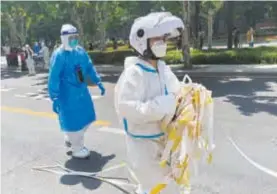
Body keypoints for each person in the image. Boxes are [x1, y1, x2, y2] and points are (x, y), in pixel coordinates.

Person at [114, 12, 184, 194]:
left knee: (165, 182)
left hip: (164, 138)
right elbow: (128, 108)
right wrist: (161, 106)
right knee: (152, 183)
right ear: (141, 40)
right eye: (157, 38)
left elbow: (177, 90)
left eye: (164, 38)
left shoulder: (162, 68)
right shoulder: (133, 73)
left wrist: (190, 95)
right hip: (143, 144)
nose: (163, 42)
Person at [48, 24, 106, 159]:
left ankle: (70, 137)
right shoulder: (59, 55)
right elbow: (54, 77)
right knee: (73, 121)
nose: (74, 40)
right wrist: (55, 97)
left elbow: (89, 66)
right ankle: (77, 148)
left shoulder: (80, 51)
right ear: (64, 38)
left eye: (75, 37)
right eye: (71, 37)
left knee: (87, 117)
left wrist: (97, 81)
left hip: (81, 90)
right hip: (67, 94)